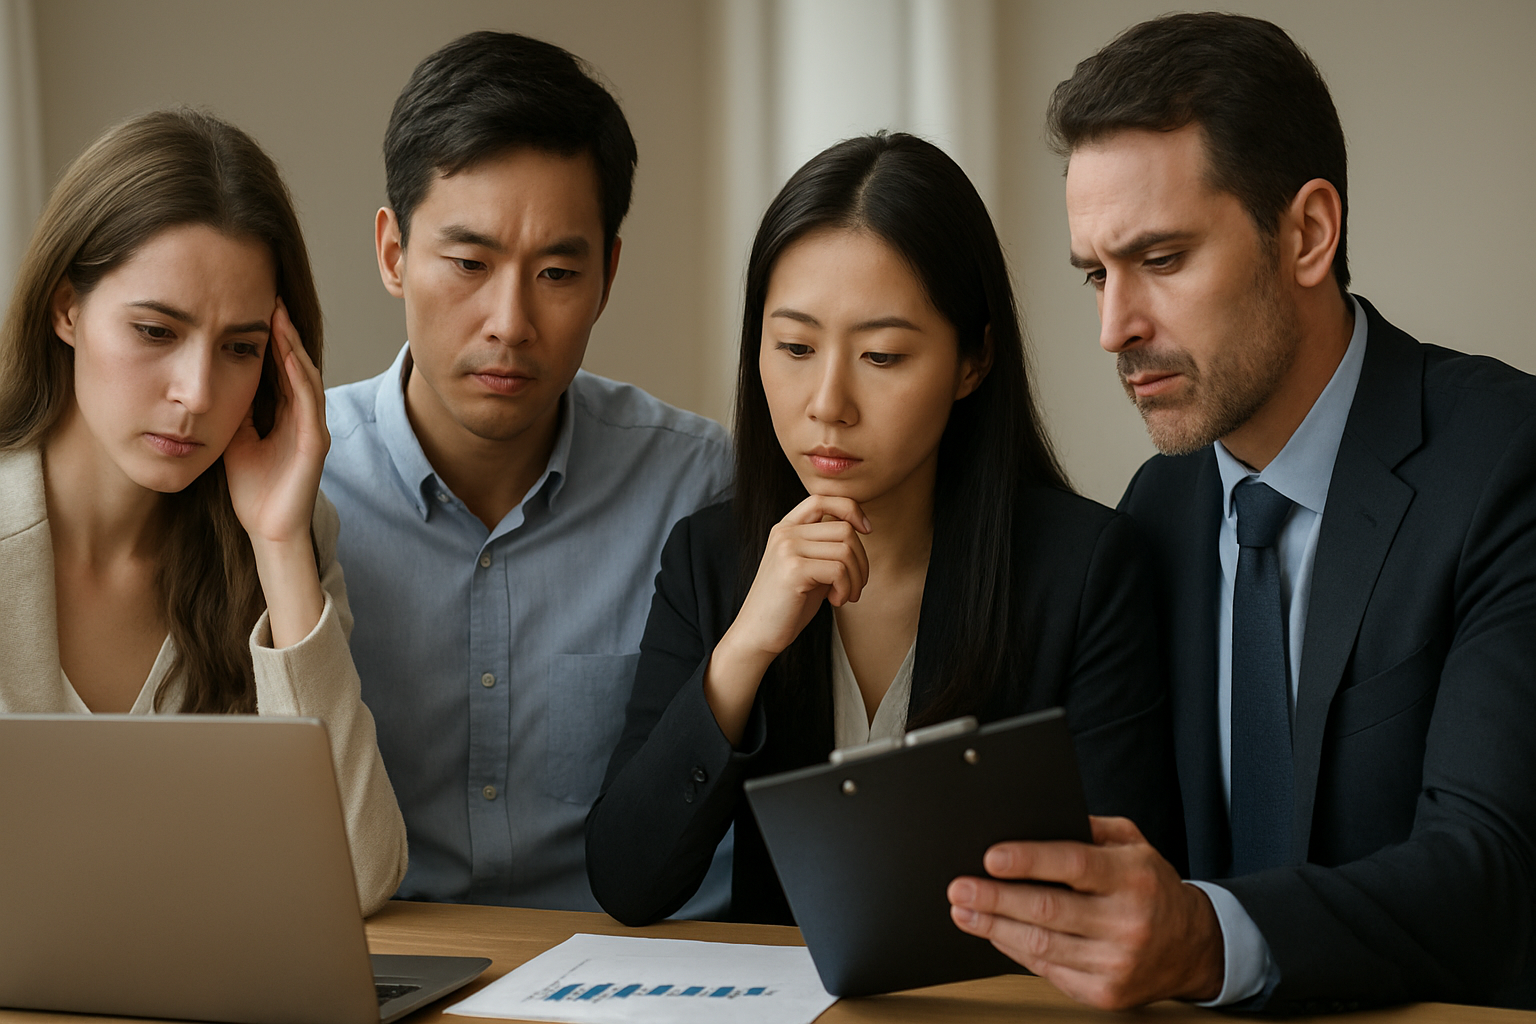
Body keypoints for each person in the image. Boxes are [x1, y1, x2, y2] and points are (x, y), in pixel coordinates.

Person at [946, 12, 1536, 1013]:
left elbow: (1489, 875)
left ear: (1308, 233)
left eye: (1162, 260)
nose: (1113, 327)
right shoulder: (1153, 513)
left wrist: (1208, 939)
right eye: (1097, 273)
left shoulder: (1505, 460)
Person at [585, 132, 1181, 927]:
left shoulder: (1085, 572)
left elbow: (1126, 892)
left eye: (883, 356)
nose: (827, 401)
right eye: (794, 346)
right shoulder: (712, 562)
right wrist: (743, 650)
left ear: (972, 362)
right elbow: (627, 883)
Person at [321, 31, 733, 913]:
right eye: (468, 264)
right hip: (383, 970)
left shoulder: (698, 487)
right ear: (393, 253)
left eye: (555, 272)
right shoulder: (295, 483)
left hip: (635, 980)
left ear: (607, 276)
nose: (509, 321)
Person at [0, 108, 407, 915]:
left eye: (239, 348)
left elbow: (358, 879)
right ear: (65, 309)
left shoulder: (279, 539)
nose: (195, 394)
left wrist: (281, 545)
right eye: (156, 330)